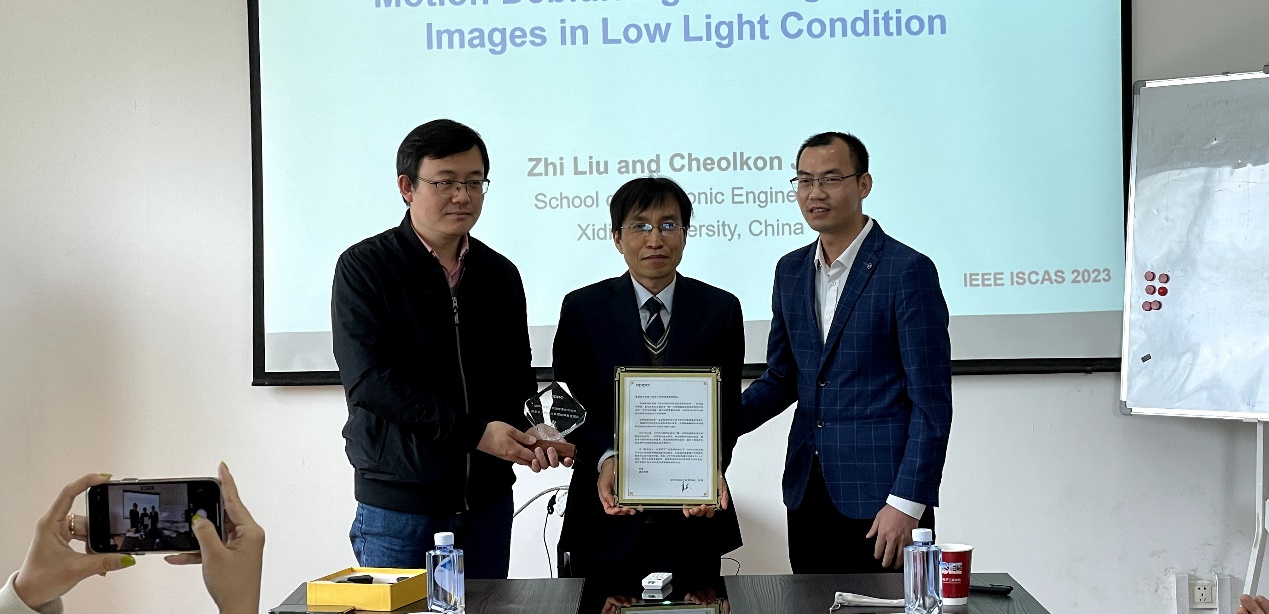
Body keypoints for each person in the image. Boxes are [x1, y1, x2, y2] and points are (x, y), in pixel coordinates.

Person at [332, 119, 568, 580]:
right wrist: (476, 434)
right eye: (446, 182)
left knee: (488, 612)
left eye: (474, 183)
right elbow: (370, 381)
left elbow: (515, 374)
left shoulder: (500, 274)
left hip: (487, 503)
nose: (463, 196)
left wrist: (534, 433)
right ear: (407, 187)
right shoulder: (366, 267)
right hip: (400, 506)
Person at [739, 131, 952, 573]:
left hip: (884, 504)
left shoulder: (907, 271)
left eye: (831, 179)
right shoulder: (790, 270)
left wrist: (907, 503)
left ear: (863, 184)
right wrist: (706, 428)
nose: (815, 193)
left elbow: (931, 403)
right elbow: (782, 378)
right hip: (807, 493)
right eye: (804, 180)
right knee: (808, 605)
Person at [552, 177, 744, 582]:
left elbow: (726, 411)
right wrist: (605, 457)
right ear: (617, 238)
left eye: (668, 225)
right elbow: (562, 401)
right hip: (604, 518)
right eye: (640, 226)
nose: (655, 239)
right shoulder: (583, 308)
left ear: (685, 235)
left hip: (693, 521)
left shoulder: (720, 309)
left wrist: (709, 469)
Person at [0, 463, 264, 614]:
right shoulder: (138, 513)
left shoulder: (150, 514)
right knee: (139, 535)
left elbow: (151, 521)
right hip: (141, 527)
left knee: (146, 534)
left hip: (148, 527)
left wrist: (26, 594)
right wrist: (239, 606)